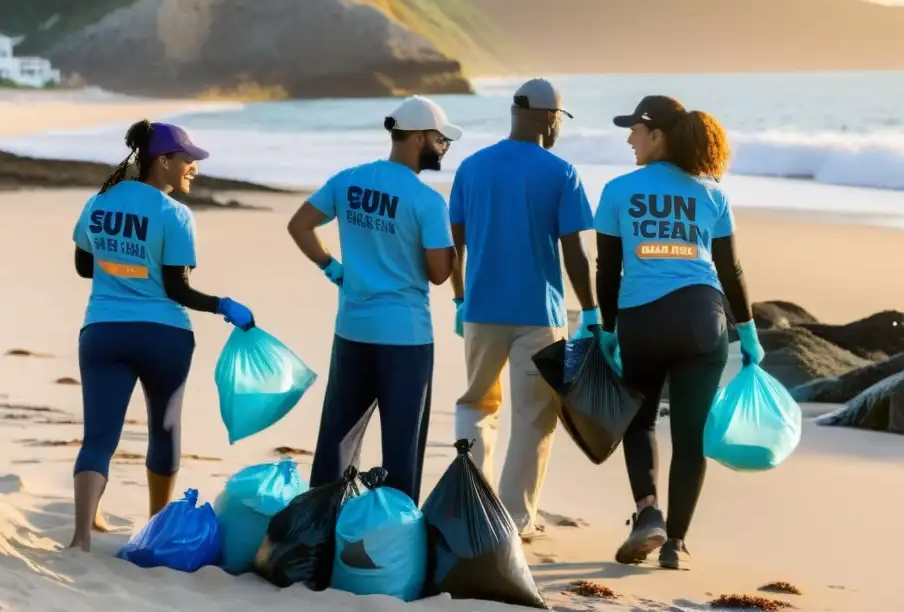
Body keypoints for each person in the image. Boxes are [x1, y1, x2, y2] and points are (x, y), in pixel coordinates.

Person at [592, 95, 765, 570]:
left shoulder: (617, 189)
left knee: (640, 421)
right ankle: (676, 545)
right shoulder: (712, 193)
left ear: (656, 135)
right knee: (690, 436)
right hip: (702, 318)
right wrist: (748, 334)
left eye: (634, 130)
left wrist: (607, 329)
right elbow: (731, 270)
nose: (628, 138)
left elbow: (608, 269)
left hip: (643, 320)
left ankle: (649, 514)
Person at [69, 120, 255, 552]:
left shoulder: (99, 202)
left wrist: (119, 268)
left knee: (99, 437)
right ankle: (155, 528)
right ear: (164, 161)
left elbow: (83, 267)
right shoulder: (175, 215)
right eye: (187, 160)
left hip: (103, 333)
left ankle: (80, 537)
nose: (194, 167)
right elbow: (177, 289)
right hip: (164, 338)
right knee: (164, 430)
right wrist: (223, 305)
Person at [287, 95, 460, 504]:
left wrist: (333, 268)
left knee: (336, 441)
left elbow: (300, 226)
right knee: (402, 449)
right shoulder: (427, 201)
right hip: (405, 338)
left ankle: (318, 537)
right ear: (418, 136)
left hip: (353, 329)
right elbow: (439, 274)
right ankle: (392, 550)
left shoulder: (349, 179)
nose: (444, 148)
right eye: (439, 139)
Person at [449, 77, 598, 539]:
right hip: (540, 314)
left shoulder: (471, 168)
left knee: (476, 404)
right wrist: (590, 311)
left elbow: (455, 244)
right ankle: (513, 521)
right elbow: (573, 251)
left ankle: (471, 506)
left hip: (481, 309)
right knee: (534, 418)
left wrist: (459, 298)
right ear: (549, 118)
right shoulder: (560, 172)